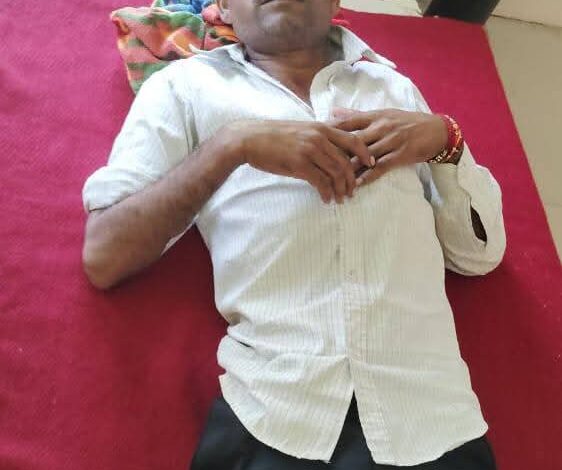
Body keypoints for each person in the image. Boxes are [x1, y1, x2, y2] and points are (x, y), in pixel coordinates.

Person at [81, 0, 506, 468]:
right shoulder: (183, 87)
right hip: (274, 416)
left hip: (434, 421)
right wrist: (233, 145)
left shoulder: (393, 87)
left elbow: (477, 255)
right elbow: (104, 254)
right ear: (223, 7)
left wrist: (446, 141)